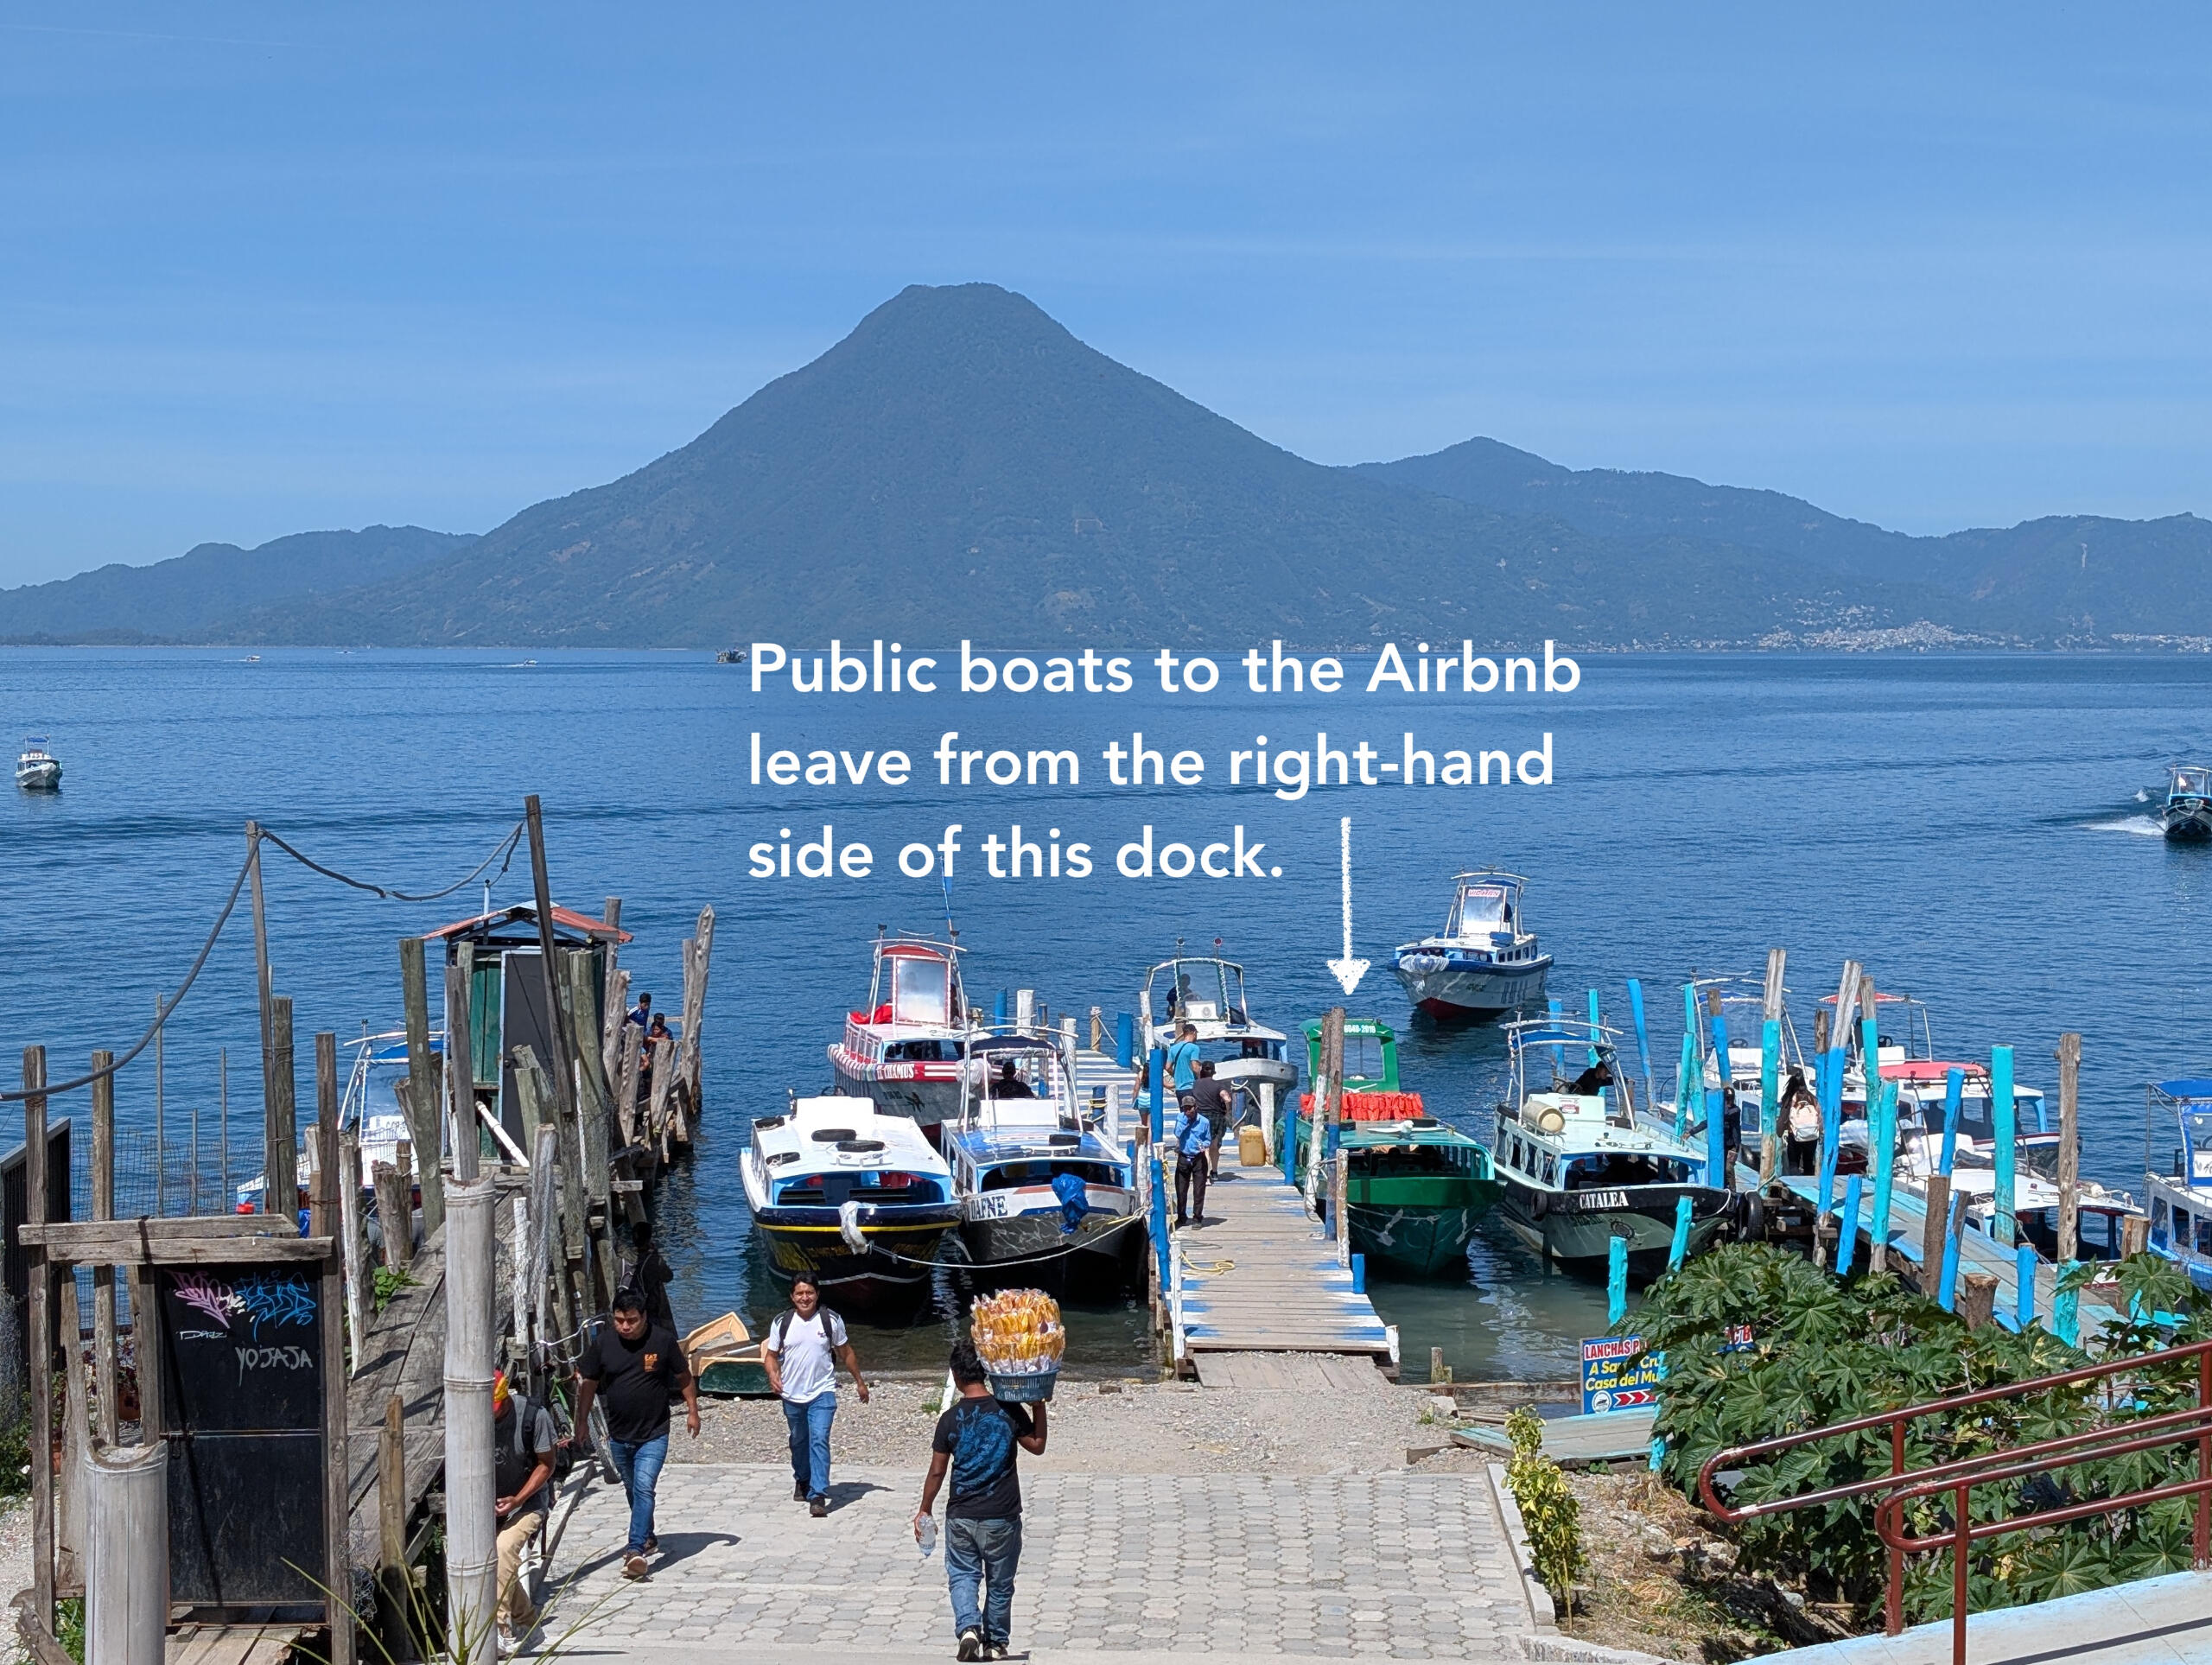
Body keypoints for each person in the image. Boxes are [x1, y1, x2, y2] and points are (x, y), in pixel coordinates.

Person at [915, 1339, 1047, 1662]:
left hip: (961, 1515)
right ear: (987, 1371)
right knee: (1000, 1584)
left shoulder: (950, 1419)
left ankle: (969, 1629)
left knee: (962, 1575)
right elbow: (1037, 1445)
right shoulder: (1008, 1409)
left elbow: (937, 1472)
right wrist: (1038, 1405)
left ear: (955, 1375)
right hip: (1002, 1516)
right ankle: (996, 1643)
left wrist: (924, 1509)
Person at [574, 1286, 700, 1579]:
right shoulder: (604, 1344)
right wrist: (581, 1422)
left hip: (655, 1432)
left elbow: (684, 1377)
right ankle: (648, 1536)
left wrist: (692, 1411)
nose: (625, 1327)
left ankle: (635, 1550)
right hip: (619, 1435)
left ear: (643, 1317)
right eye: (619, 1320)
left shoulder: (662, 1341)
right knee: (632, 1490)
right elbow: (588, 1384)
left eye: (631, 1320)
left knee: (644, 1487)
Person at [761, 1274, 869, 1517]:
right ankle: (803, 1478)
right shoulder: (782, 1322)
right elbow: (771, 1356)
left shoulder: (830, 1320)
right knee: (799, 1440)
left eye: (809, 1293)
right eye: (799, 1293)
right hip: (791, 1394)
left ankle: (818, 1494)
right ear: (792, 1297)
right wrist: (772, 1374)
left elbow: (846, 1352)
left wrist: (860, 1382)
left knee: (819, 1438)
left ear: (817, 1294)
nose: (805, 1298)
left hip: (823, 1391)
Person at [492, 1369, 557, 1653]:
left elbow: (547, 1464)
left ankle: (499, 1629)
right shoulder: (472, 1415)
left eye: (495, 1409)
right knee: (494, 1565)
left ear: (505, 1397)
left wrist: (517, 1499)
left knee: (503, 1549)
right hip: (489, 1502)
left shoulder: (534, 1416)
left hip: (527, 1501)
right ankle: (530, 1625)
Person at [626, 1221, 676, 1332]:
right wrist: (656, 1254)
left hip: (633, 1302)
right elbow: (668, 1276)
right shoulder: (654, 1260)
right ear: (649, 1238)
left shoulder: (627, 1256)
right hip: (652, 1306)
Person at [1186, 1061, 1234, 1176]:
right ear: (1213, 1072)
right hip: (1216, 1116)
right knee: (1214, 1146)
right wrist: (1227, 1111)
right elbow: (1227, 1098)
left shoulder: (1196, 1084)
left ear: (1202, 1071)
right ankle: (1214, 1171)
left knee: (1204, 1147)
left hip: (1201, 1116)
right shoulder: (1218, 1085)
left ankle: (1206, 1175)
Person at [1172, 1093, 1211, 1228]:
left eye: (1190, 1108)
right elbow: (1177, 1133)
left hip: (1198, 1158)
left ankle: (1197, 1217)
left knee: (1199, 1189)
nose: (1187, 1111)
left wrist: (1203, 1145)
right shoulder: (1180, 1118)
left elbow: (1208, 1139)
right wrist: (1185, 1122)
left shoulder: (1204, 1122)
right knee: (1181, 1189)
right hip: (1184, 1156)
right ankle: (1181, 1216)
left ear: (1196, 1108)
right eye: (1185, 1108)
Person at [1166, 1022, 1201, 1096]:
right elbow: (1195, 1068)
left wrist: (1175, 1075)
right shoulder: (1194, 1048)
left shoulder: (1173, 1048)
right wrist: (1201, 1079)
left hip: (1179, 1088)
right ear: (1194, 1033)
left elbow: (1168, 1067)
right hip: (1191, 1087)